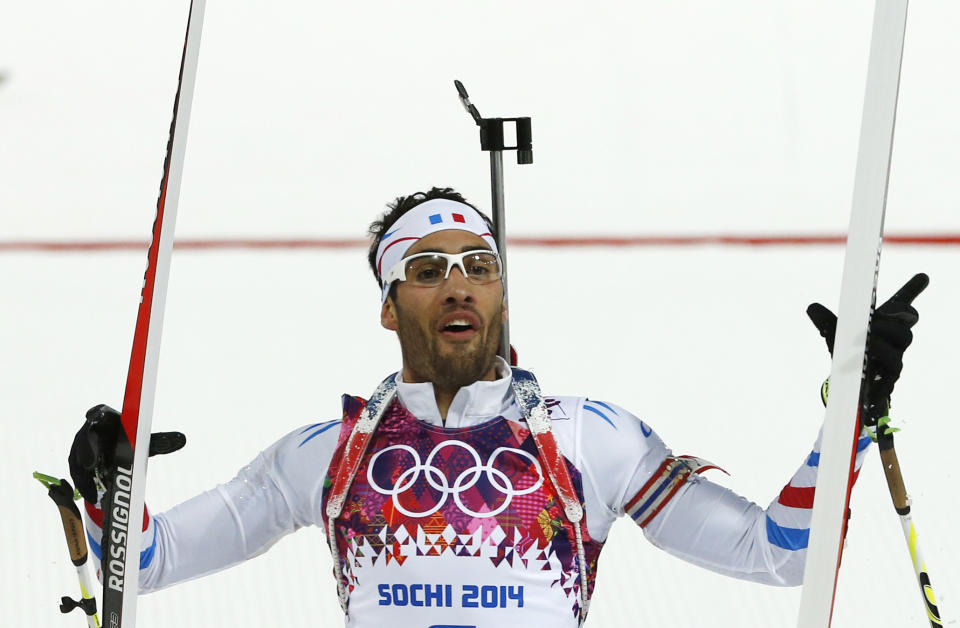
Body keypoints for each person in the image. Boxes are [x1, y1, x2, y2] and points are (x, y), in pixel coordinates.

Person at [69, 187, 927, 627]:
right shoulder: (326, 454)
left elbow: (779, 554)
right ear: (388, 302)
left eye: (480, 264)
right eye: (429, 267)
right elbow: (143, 566)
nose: (459, 285)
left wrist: (847, 414)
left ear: (503, 294)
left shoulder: (587, 439)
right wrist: (112, 485)